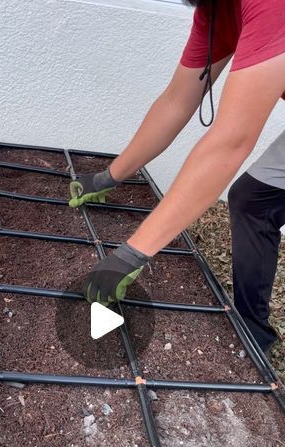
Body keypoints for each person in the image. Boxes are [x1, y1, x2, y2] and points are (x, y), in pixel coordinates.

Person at [69, 0, 285, 354]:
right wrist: (109, 176)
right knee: (253, 202)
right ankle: (253, 331)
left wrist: (131, 254)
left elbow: (231, 142)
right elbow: (176, 101)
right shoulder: (215, 12)